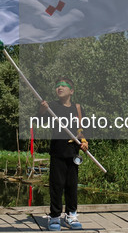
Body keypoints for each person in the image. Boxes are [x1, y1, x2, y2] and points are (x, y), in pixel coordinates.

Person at [39, 77, 88, 231]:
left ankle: (71, 215)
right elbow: (40, 119)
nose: (59, 88)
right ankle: (54, 217)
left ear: (71, 91)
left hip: (73, 153)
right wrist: (43, 109)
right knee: (56, 185)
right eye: (57, 86)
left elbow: (82, 129)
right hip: (58, 152)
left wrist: (85, 141)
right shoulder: (52, 106)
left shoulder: (78, 109)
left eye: (63, 86)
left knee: (71, 185)